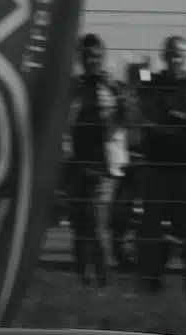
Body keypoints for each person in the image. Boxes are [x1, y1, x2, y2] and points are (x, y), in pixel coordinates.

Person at [137, 36, 186, 298]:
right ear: (165, 55)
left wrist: (182, 119)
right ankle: (149, 287)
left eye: (180, 54)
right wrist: (144, 69)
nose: (176, 59)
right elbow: (145, 107)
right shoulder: (154, 83)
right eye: (171, 54)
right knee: (151, 230)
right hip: (158, 168)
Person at [66, 33, 130, 289]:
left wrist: (117, 94)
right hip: (75, 164)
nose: (91, 61)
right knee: (79, 226)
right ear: (79, 58)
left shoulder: (114, 87)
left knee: (96, 224)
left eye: (95, 56)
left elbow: (129, 119)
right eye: (86, 56)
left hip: (104, 167)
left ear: (102, 58)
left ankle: (103, 282)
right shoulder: (72, 87)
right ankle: (84, 280)